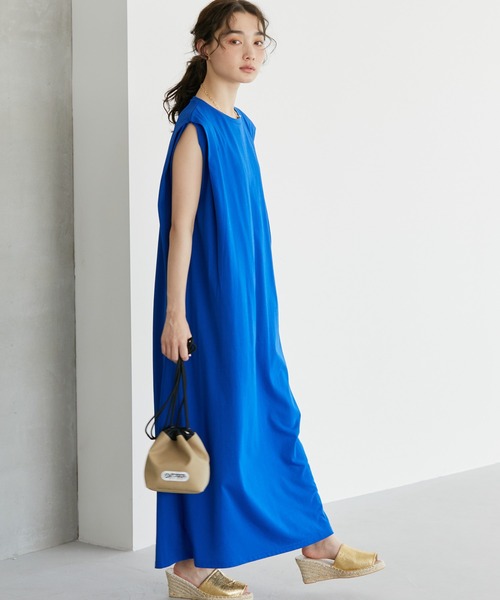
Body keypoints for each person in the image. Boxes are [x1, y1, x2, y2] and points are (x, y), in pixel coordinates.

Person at [152, 1, 385, 598]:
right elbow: (180, 230)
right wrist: (176, 314)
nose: (251, 52)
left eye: (259, 41)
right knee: (216, 423)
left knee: (271, 409)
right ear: (205, 46)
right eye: (235, 40)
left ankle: (315, 539)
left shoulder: (242, 127)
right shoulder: (197, 131)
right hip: (207, 306)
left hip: (250, 299)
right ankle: (192, 569)